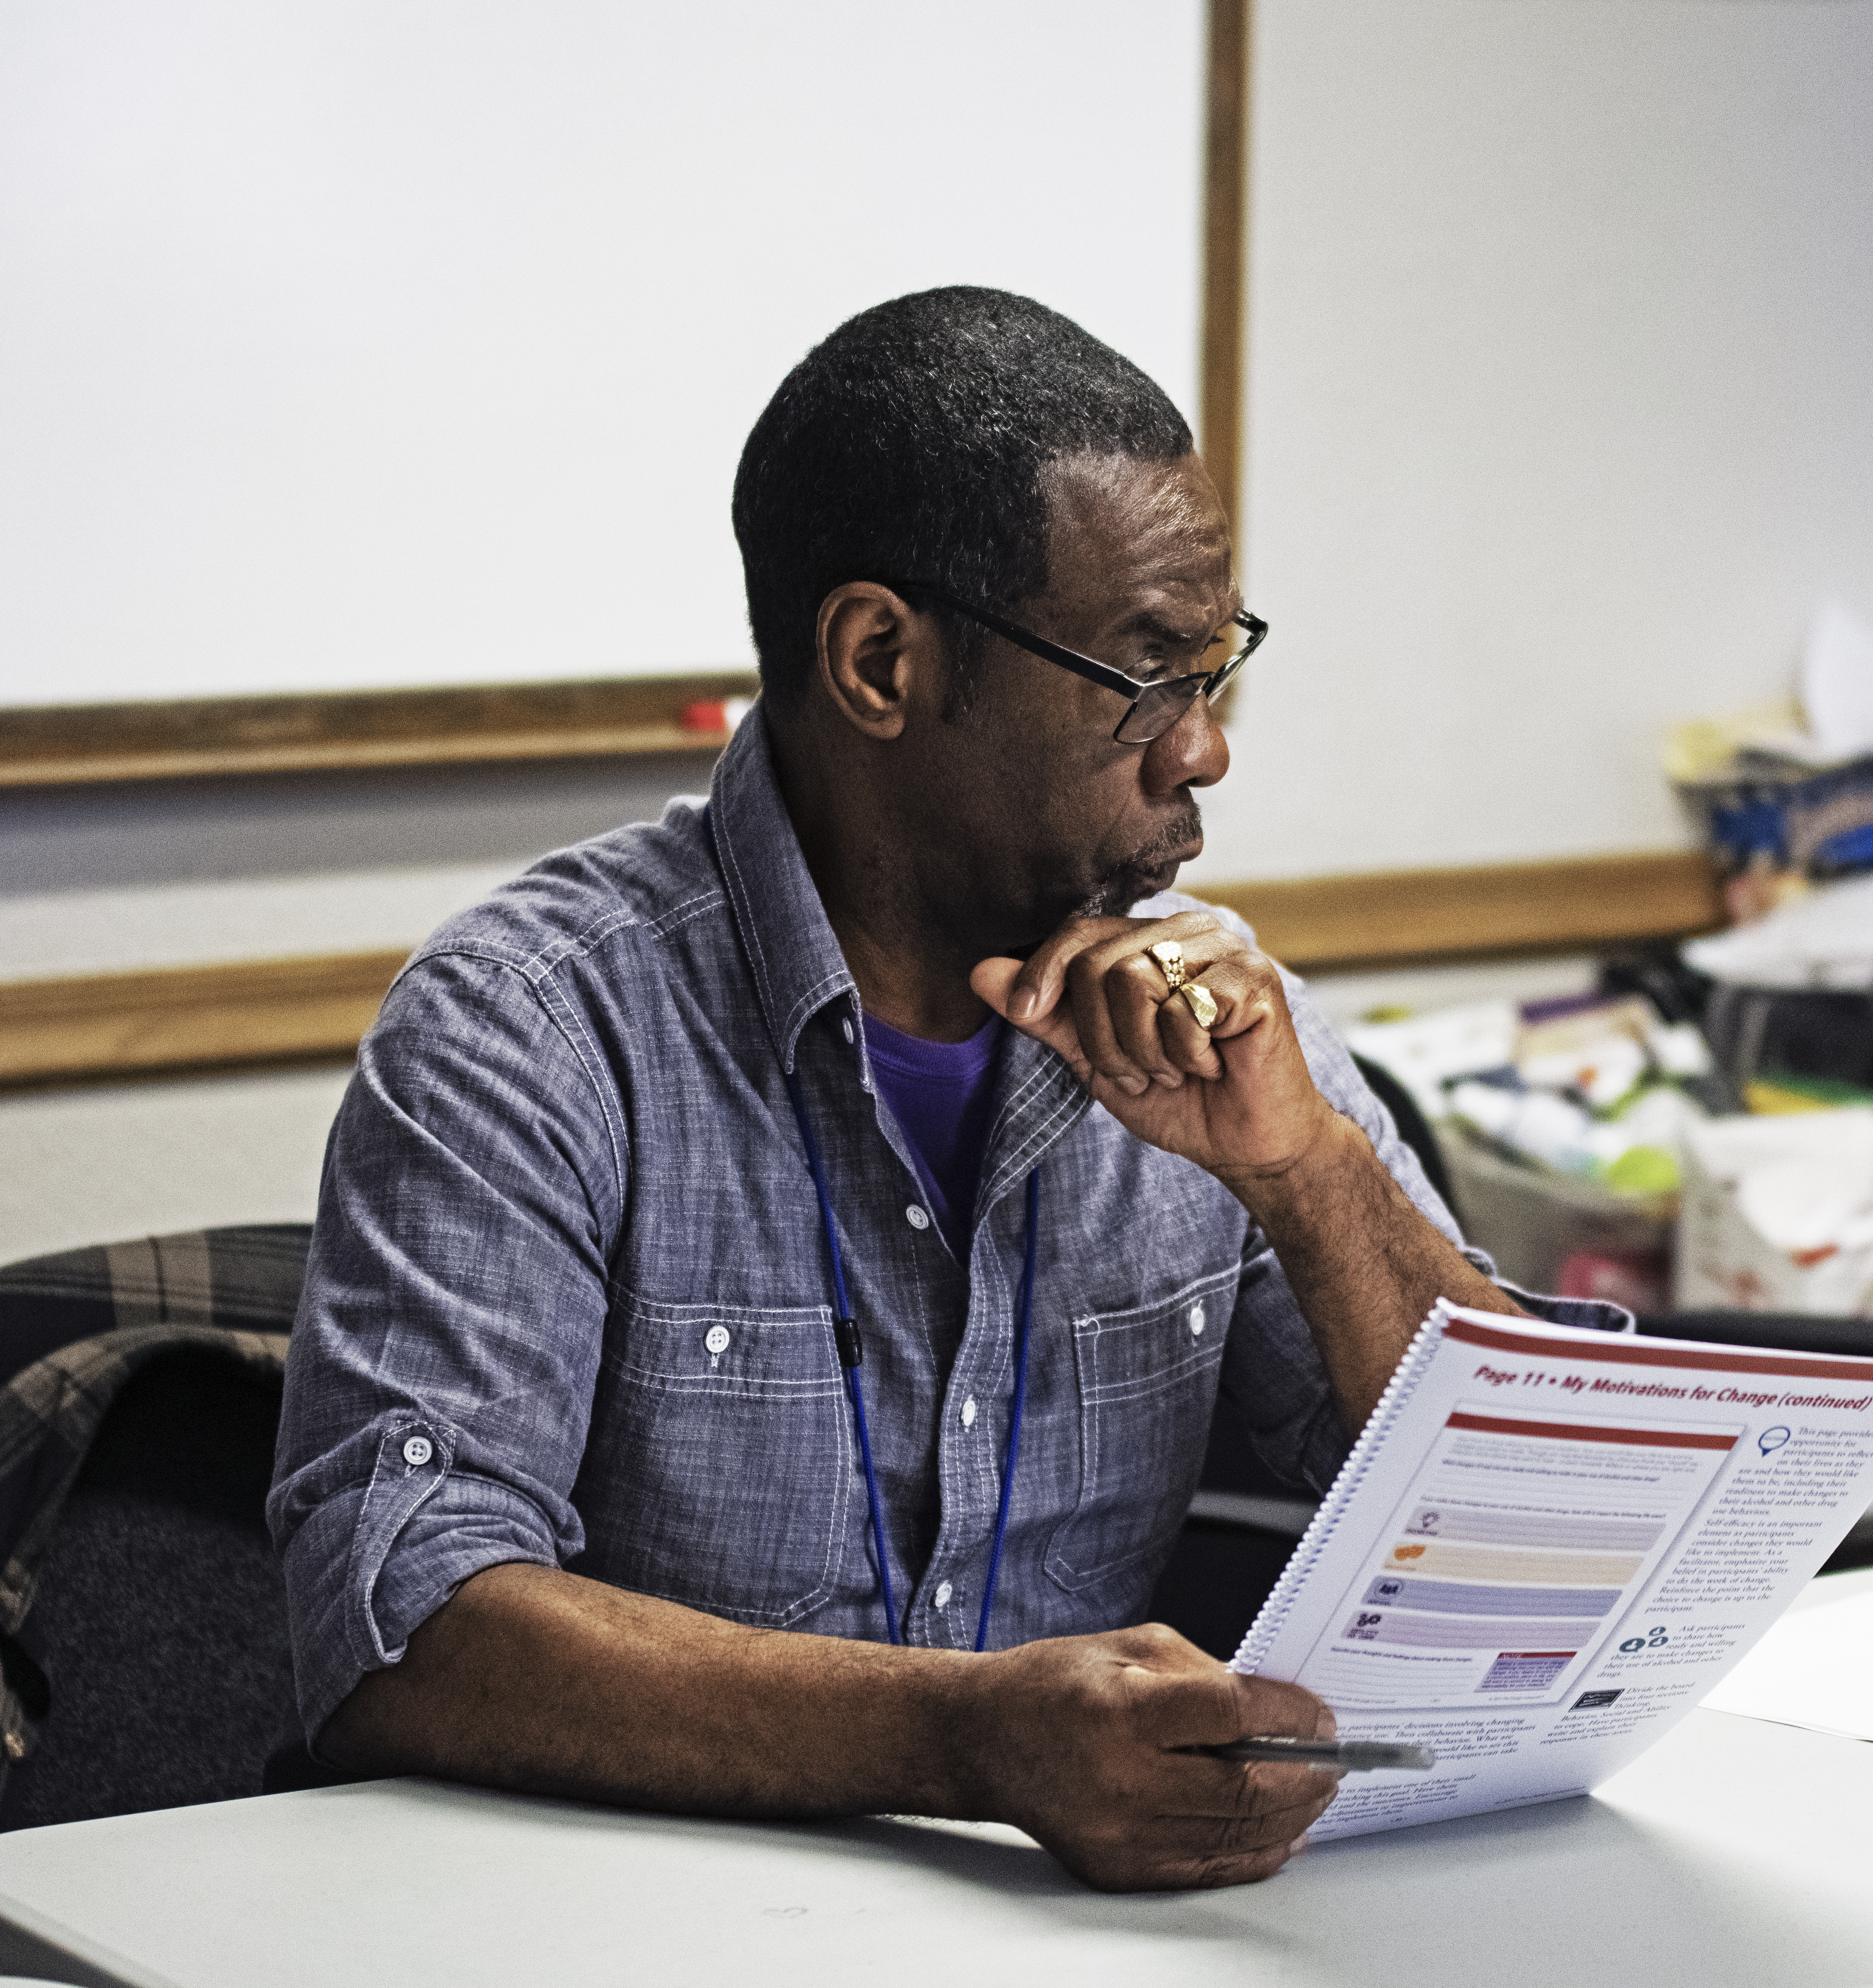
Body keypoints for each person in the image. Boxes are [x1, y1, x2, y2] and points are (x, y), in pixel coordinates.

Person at [268, 287, 1624, 1893]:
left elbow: (1549, 1547)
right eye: (1141, 672)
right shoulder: (532, 1030)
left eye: (1215, 668)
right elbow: (406, 1622)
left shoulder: (1224, 1018)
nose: (1202, 754)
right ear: (879, 663)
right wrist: (964, 1738)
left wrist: (1309, 1175)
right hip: (621, 1922)